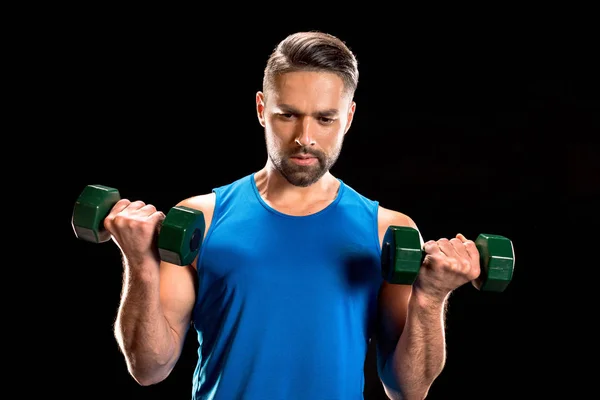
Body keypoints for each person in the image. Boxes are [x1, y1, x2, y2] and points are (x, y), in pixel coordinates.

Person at [105, 31, 482, 400]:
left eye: (325, 119)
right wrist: (140, 263)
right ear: (261, 110)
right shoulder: (200, 219)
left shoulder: (387, 230)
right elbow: (149, 368)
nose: (305, 136)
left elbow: (409, 389)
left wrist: (431, 298)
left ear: (348, 118)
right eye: (287, 114)